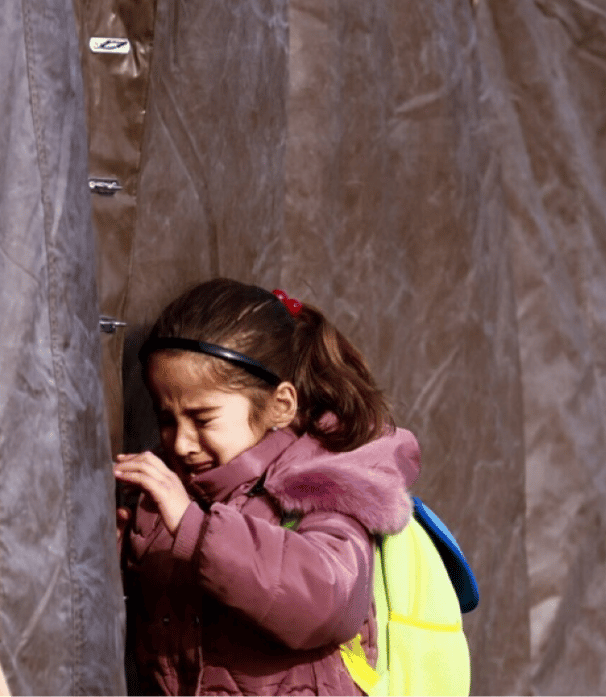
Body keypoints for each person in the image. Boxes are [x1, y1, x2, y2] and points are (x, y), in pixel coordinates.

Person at [114, 278, 421, 696]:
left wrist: (195, 528)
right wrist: (116, 558)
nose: (181, 443)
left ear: (279, 405)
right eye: (166, 419)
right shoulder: (165, 498)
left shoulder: (321, 488)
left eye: (202, 419)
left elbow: (326, 601)